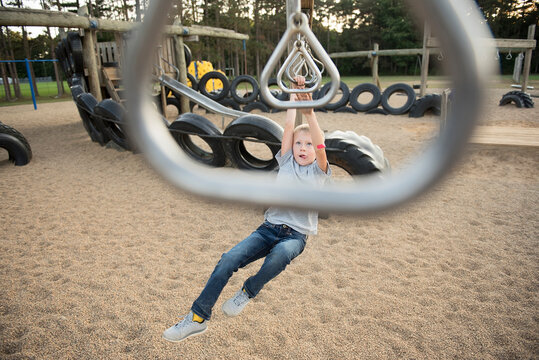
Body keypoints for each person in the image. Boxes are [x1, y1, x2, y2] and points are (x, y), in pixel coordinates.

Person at [162, 76, 332, 343]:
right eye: (299, 143)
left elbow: (320, 143)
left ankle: (248, 291)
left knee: (280, 256)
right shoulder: (286, 162)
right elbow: (288, 125)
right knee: (227, 260)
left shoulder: (319, 171)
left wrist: (309, 113)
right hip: (268, 229)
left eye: (308, 145)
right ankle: (197, 318)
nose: (302, 148)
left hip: (295, 236)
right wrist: (293, 95)